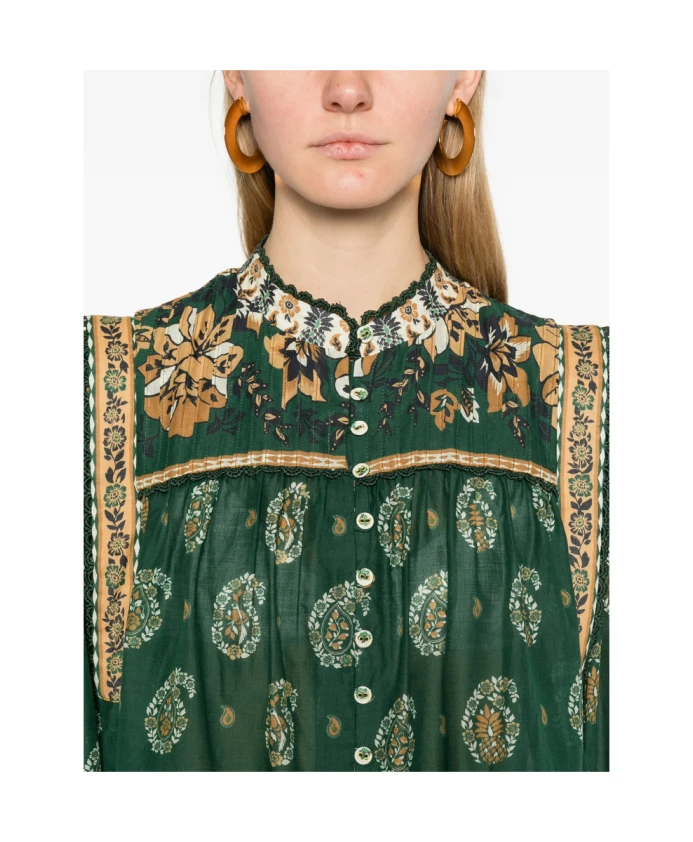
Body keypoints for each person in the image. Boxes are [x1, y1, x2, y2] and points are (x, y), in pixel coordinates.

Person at [83, 70, 608, 772]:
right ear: (236, 71)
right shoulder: (104, 383)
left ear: (463, 74)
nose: (347, 89)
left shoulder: (583, 390)